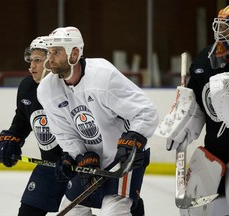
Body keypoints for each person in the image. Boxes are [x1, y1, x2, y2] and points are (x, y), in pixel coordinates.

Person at [156, 1, 229, 215]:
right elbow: (196, 100)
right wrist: (184, 117)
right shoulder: (205, 59)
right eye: (221, 25)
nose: (221, 31)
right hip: (214, 155)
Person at [37, 26, 158, 215]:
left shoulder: (102, 75)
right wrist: (79, 155)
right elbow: (63, 132)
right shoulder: (47, 89)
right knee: (71, 211)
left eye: (57, 52)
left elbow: (145, 111)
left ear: (75, 53)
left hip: (122, 159)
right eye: (49, 52)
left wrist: (133, 140)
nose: (50, 58)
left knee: (113, 211)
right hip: (90, 162)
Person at [0, 36, 68, 216]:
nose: (31, 66)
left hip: (78, 167)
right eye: (30, 60)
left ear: (51, 62)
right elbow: (22, 119)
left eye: (37, 61)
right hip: (49, 166)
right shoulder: (27, 86)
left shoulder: (68, 87)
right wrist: (12, 139)